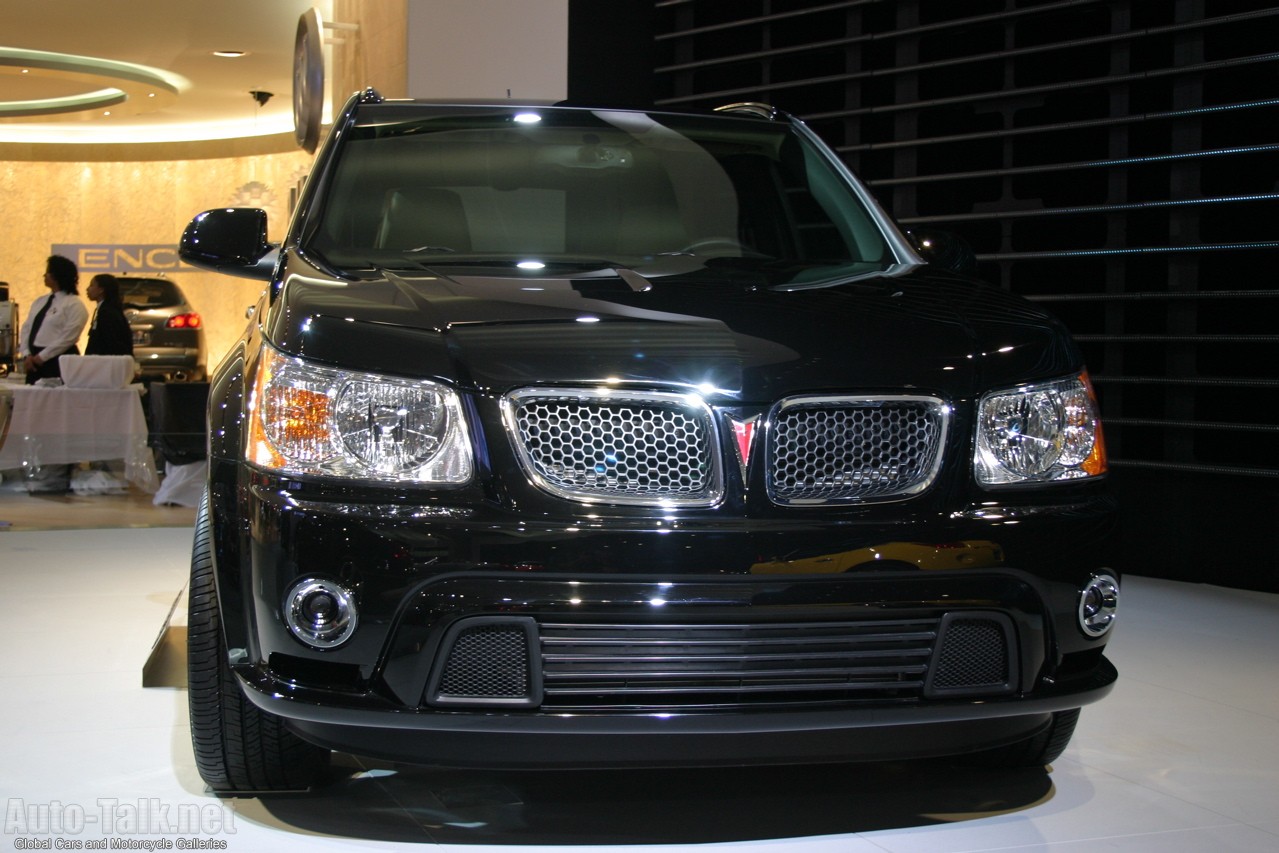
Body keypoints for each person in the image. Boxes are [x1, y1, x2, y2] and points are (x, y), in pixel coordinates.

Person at [19, 255, 89, 385]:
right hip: (33, 361)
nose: (44, 275)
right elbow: (26, 328)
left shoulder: (74, 304)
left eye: (48, 272)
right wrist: (26, 354)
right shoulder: (40, 302)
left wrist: (43, 356)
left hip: (57, 360)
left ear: (57, 276)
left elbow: (69, 337)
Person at [85, 273, 135, 357]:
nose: (87, 289)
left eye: (92, 285)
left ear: (101, 290)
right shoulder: (106, 310)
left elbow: (110, 342)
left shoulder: (107, 313)